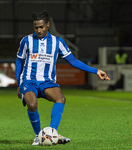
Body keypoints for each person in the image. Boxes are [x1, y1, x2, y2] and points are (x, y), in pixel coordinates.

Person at [15, 10, 110, 146]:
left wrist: (96, 71)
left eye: (41, 27)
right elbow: (19, 61)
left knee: (60, 98)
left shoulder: (57, 42)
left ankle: (52, 132)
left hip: (47, 81)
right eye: (36, 27)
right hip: (29, 80)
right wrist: (19, 84)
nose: (39, 30)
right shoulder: (26, 40)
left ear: (47, 25)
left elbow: (73, 61)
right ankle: (38, 136)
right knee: (32, 104)